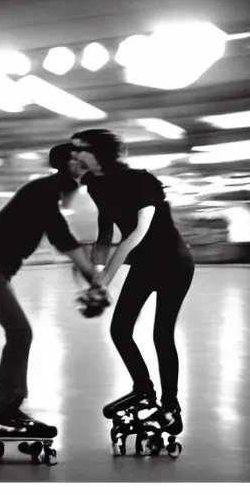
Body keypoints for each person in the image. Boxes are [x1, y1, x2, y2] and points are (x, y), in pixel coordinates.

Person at [0, 142, 106, 439]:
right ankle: (1, 412)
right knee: (20, 333)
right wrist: (91, 275)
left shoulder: (47, 192)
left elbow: (61, 236)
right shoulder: (42, 191)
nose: (82, 170)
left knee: (19, 333)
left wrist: (87, 274)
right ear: (67, 166)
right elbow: (61, 236)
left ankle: (9, 407)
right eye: (77, 163)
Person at [70, 128, 194, 435]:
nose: (74, 155)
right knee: (120, 330)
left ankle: (170, 409)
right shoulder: (95, 184)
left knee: (161, 335)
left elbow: (135, 236)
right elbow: (105, 233)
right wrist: (96, 269)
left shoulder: (142, 182)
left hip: (173, 263)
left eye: (80, 149)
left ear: (99, 153)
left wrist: (105, 280)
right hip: (145, 264)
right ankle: (144, 390)